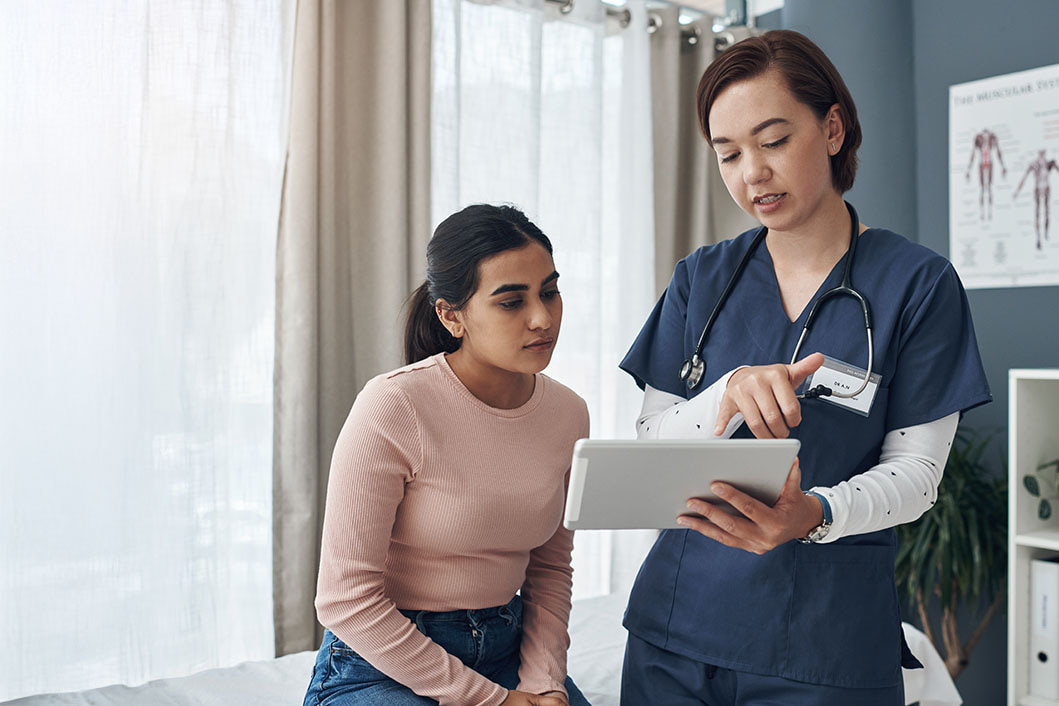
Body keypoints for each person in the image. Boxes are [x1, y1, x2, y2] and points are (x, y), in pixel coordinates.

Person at [618, 30, 991, 705]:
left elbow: (918, 476)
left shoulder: (916, 284)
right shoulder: (701, 279)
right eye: (727, 154)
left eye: (771, 140)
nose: (750, 174)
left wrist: (813, 513)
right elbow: (648, 444)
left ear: (831, 129)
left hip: (828, 642)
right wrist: (725, 394)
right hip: (674, 630)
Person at [303, 204, 592, 706]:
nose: (542, 318)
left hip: (507, 645)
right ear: (450, 314)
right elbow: (345, 600)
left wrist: (544, 685)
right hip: (383, 660)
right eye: (511, 302)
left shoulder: (568, 413)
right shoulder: (394, 405)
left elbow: (549, 569)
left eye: (549, 291)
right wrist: (492, 700)